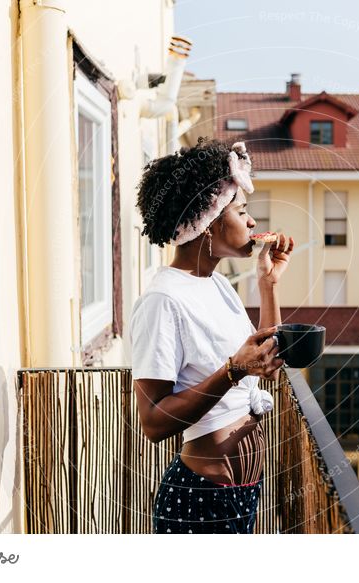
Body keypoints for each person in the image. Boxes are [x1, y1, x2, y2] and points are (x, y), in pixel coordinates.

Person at [129, 138, 295, 534]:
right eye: (241, 210)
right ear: (209, 221)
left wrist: (268, 286)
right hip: (201, 499)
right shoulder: (163, 300)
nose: (252, 222)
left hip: (243, 490)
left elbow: (259, 365)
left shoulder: (217, 286)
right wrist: (233, 371)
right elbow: (153, 422)